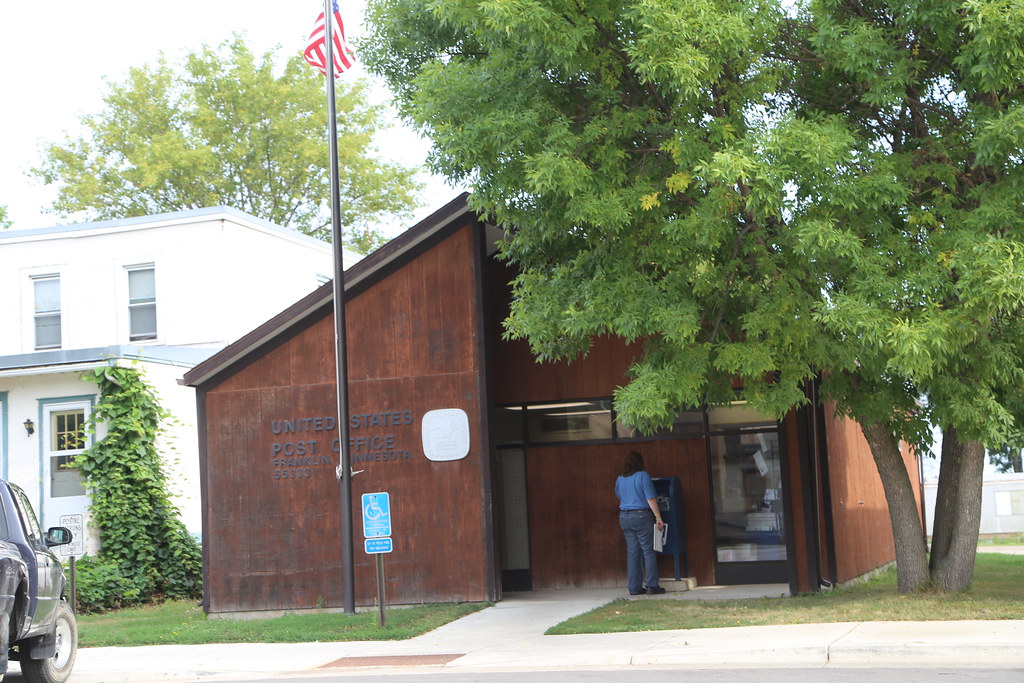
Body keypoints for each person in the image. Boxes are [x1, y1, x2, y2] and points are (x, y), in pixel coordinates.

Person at [614, 450, 666, 595]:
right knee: (648, 551)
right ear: (640, 462)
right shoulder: (643, 476)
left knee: (632, 552)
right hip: (641, 516)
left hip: (624, 516)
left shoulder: (620, 479)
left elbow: (619, 495)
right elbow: (650, 498)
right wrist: (658, 517)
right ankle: (652, 586)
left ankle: (634, 587)